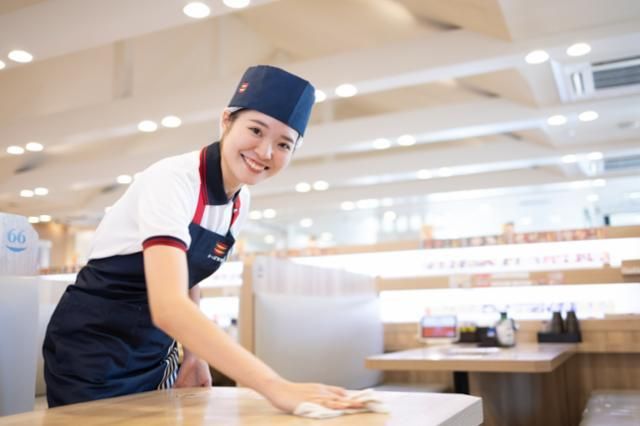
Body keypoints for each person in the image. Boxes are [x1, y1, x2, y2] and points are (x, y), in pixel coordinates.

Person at [43, 65, 364, 413]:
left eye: (284, 144)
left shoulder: (240, 200)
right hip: (91, 349)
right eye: (256, 130)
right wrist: (275, 386)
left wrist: (193, 355)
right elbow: (168, 306)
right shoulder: (173, 180)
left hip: (154, 353)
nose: (265, 152)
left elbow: (187, 275)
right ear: (226, 120)